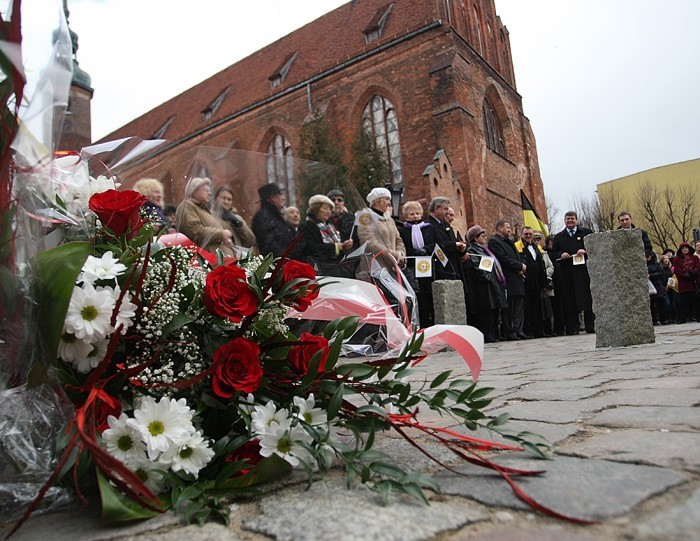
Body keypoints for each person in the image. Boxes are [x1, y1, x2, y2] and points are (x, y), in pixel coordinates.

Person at [550, 211, 595, 335]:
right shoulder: (559, 237)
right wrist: (560, 254)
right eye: (567, 219)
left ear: (577, 220)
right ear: (564, 221)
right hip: (567, 273)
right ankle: (572, 327)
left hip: (584, 272)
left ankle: (590, 325)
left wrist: (585, 250)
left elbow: (596, 248)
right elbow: (552, 253)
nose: (570, 221)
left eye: (572, 219)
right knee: (569, 300)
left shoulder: (586, 233)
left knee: (587, 298)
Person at [398, 201, 438, 328]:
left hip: (428, 265)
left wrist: (426, 249)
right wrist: (414, 252)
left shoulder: (429, 228)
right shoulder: (403, 230)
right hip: (412, 266)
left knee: (429, 293)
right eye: (411, 214)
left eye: (417, 213)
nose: (415, 216)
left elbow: (437, 243)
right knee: (418, 294)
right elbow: (403, 246)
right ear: (406, 216)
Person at [464, 225, 506, 343]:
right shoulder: (473, 250)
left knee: (493, 313)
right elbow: (478, 270)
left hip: (491, 285)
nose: (485, 237)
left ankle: (494, 334)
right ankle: (489, 336)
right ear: (475, 238)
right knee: (486, 314)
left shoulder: (484, 250)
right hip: (484, 288)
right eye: (482, 235)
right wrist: (489, 278)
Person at [176, 177, 234, 257]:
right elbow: (194, 232)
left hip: (215, 261)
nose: (210, 193)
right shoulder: (187, 206)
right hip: (206, 262)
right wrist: (221, 234)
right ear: (194, 191)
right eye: (206, 190)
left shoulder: (203, 210)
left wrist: (224, 240)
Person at [488, 220, 526, 340]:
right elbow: (502, 259)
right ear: (500, 228)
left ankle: (518, 330)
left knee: (518, 306)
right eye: (507, 227)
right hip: (507, 278)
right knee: (509, 306)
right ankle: (509, 331)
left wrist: (522, 267)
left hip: (517, 277)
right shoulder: (494, 242)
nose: (509, 230)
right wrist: (519, 266)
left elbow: (517, 257)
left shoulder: (509, 242)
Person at [300, 195, 353, 276]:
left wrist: (344, 246)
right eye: (325, 208)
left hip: (335, 268)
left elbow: (337, 245)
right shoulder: (308, 226)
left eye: (330, 209)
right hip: (320, 271)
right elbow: (308, 248)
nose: (328, 212)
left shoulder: (331, 226)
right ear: (315, 209)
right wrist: (334, 247)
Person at [357, 187, 406, 269]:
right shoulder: (364, 217)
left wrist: (401, 254)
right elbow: (370, 242)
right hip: (374, 267)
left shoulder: (390, 219)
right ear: (376, 200)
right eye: (386, 199)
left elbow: (398, 239)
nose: (389, 203)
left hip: (393, 267)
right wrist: (394, 255)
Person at [515, 227, 548, 338]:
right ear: (521, 235)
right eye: (526, 234)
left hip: (537, 282)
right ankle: (528, 331)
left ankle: (539, 331)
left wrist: (544, 283)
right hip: (525, 282)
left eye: (530, 234)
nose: (528, 236)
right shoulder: (517, 246)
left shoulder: (536, 247)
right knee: (527, 308)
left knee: (537, 308)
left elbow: (541, 265)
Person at [426, 197, 467, 281]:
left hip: (455, 270)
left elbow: (454, 244)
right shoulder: (427, 226)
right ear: (437, 209)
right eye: (445, 209)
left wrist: (462, 251)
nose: (447, 212)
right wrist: (454, 245)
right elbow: (434, 246)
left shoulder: (446, 225)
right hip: (442, 272)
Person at [212, 186, 256, 254]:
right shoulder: (209, 215)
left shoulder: (237, 217)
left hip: (237, 257)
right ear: (216, 199)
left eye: (229, 199)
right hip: (218, 256)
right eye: (223, 198)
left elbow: (251, 241)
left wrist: (238, 224)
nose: (226, 202)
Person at [251, 183, 291, 258]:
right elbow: (270, 245)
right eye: (280, 194)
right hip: (277, 264)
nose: (283, 198)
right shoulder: (264, 217)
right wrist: (288, 256)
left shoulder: (275, 216)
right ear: (272, 197)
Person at [671, 242, 700, 323]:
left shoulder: (694, 258)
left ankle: (697, 317)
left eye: (686, 248)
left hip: (693, 282)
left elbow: (697, 268)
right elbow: (676, 270)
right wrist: (685, 274)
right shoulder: (677, 259)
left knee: (696, 301)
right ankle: (682, 318)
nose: (685, 249)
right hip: (683, 283)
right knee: (683, 302)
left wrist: (691, 273)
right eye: (683, 248)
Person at [533, 231, 555, 337]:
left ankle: (549, 329)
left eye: (538, 240)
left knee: (548, 308)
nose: (537, 242)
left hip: (546, 281)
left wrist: (544, 274)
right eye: (535, 240)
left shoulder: (544, 253)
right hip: (536, 282)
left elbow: (551, 266)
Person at [646, 251, 667, 325]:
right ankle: (654, 320)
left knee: (661, 303)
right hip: (649, 285)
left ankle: (663, 319)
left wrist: (651, 276)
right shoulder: (644, 264)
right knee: (652, 304)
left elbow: (661, 273)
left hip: (657, 285)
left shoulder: (657, 264)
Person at [659, 253, 677, 323]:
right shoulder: (660, 269)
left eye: (667, 259)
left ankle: (673, 318)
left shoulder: (670, 269)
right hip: (664, 288)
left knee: (673, 303)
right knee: (667, 303)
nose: (666, 260)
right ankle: (667, 317)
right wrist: (664, 287)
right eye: (665, 259)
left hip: (671, 287)